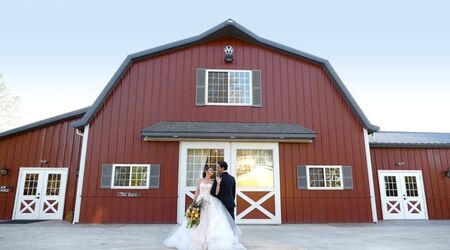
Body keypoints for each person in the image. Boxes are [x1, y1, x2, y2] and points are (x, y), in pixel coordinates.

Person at [163, 165, 245, 250]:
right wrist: (194, 203)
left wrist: (218, 184)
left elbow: (216, 193)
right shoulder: (200, 181)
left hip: (211, 202)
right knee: (197, 220)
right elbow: (197, 192)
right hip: (200, 201)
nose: (212, 171)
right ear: (206, 171)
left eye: (213, 170)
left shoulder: (213, 181)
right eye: (210, 170)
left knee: (212, 220)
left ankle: (212, 241)